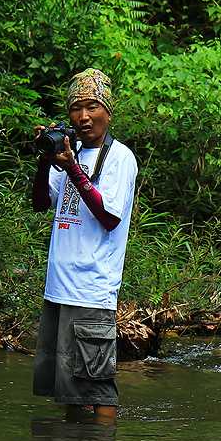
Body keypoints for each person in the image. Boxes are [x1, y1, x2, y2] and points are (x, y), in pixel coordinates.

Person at [31, 68, 137, 422]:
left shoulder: (120, 158)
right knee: (69, 392)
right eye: (76, 108)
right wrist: (46, 159)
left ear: (108, 110)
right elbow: (40, 204)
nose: (83, 116)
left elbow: (109, 216)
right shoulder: (66, 152)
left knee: (98, 387)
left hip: (91, 292)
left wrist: (73, 167)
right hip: (58, 291)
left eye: (92, 106)